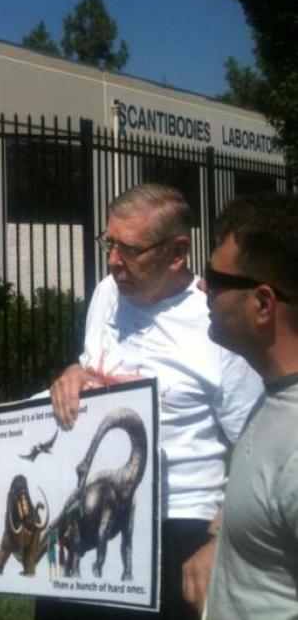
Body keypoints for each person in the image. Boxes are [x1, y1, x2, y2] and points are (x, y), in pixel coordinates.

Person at [36, 184, 262, 620]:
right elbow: (93, 363)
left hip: (177, 523)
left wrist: (223, 537)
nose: (112, 260)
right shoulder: (107, 294)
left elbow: (256, 445)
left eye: (129, 249)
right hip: (88, 502)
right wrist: (74, 373)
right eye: (110, 243)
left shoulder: (216, 326)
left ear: (177, 253)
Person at [203, 192, 298, 620]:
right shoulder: (274, 394)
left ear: (263, 304)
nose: (201, 285)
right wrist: (224, 546)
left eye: (214, 278)